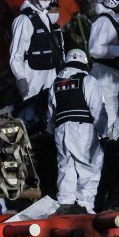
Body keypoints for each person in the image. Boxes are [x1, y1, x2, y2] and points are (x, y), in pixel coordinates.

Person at [46, 48, 107, 214]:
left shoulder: (56, 84)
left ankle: (65, 204)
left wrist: (52, 130)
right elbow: (97, 109)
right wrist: (103, 133)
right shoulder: (88, 80)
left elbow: (51, 113)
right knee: (90, 167)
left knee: (67, 167)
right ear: (84, 63)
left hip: (61, 129)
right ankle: (85, 207)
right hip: (82, 130)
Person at [8, 0, 65, 120]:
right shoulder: (24, 20)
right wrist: (20, 77)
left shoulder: (47, 19)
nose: (47, 2)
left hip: (51, 74)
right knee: (30, 113)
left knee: (50, 114)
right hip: (33, 76)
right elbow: (16, 55)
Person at [87, 0, 119, 139]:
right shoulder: (104, 22)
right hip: (104, 75)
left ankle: (118, 147)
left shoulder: (116, 21)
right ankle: (103, 148)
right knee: (107, 117)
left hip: (118, 75)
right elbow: (95, 49)